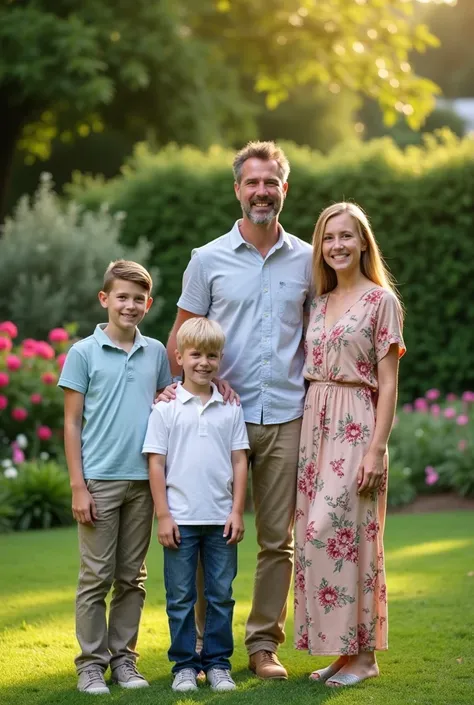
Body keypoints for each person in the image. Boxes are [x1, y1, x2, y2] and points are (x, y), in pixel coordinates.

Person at [163, 141, 313, 680]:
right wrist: (171, 393)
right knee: (205, 534)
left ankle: (262, 645)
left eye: (270, 182)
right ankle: (204, 648)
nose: (261, 191)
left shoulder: (307, 258)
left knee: (279, 540)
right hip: (219, 420)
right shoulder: (207, 259)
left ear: (284, 190)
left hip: (288, 416)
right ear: (237, 190)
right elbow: (180, 335)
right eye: (252, 183)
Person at [294, 202, 405, 687]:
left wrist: (376, 449)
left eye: (346, 236)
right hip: (313, 427)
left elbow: (389, 382)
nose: (337, 245)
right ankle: (344, 653)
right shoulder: (316, 303)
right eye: (328, 238)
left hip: (357, 425)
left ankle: (365, 658)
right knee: (315, 543)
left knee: (341, 536)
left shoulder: (382, 302)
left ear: (363, 242)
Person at [59, 260, 171, 695]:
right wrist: (78, 485)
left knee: (132, 577)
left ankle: (124, 661)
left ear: (149, 304)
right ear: (105, 300)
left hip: (144, 481)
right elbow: (72, 423)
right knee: (95, 577)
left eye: (138, 299)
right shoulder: (83, 353)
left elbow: (166, 404)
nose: (130, 305)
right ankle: (90, 664)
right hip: (99, 481)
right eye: (121, 297)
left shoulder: (157, 352)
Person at [142, 317, 248, 692]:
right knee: (181, 597)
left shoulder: (231, 408)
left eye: (212, 356)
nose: (204, 362)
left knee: (221, 595)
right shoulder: (166, 409)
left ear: (220, 359)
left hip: (221, 519)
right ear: (180, 357)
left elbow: (239, 461)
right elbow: (156, 462)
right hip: (180, 520)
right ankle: (184, 666)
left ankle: (218, 664)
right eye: (196, 355)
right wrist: (164, 515)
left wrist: (237, 510)